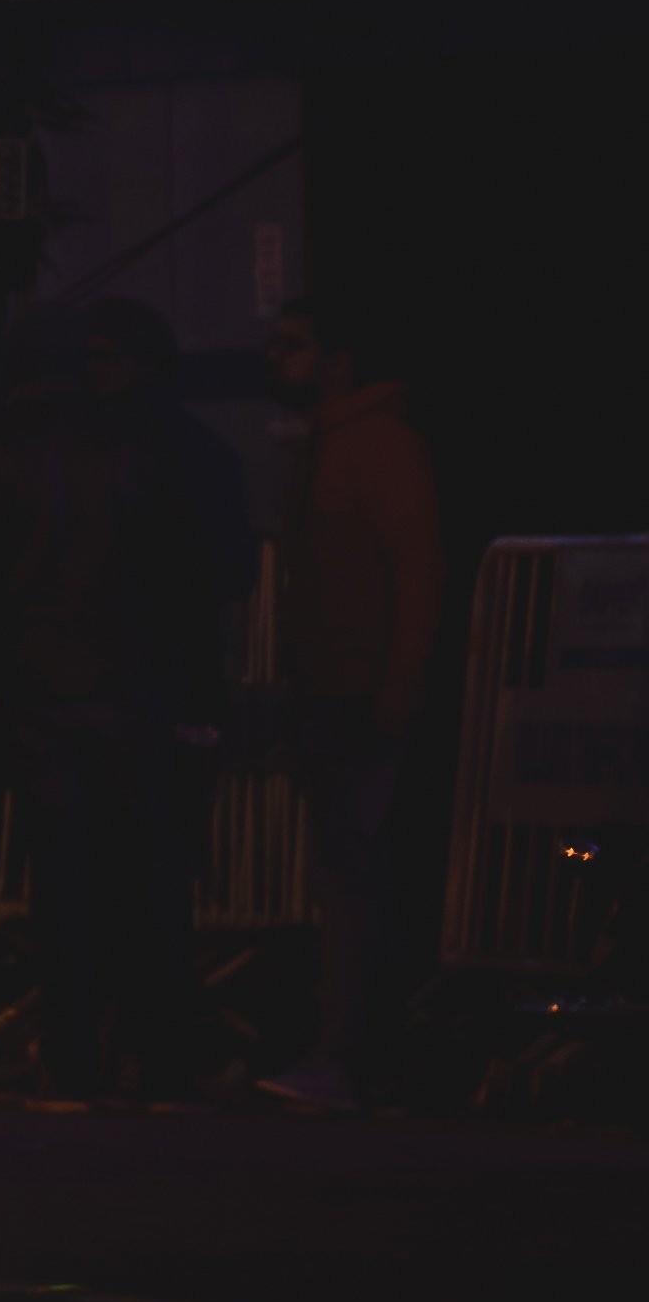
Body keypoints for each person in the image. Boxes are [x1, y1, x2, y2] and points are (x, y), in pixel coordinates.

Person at [0, 301, 246, 1105]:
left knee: (63, 881)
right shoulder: (141, 448)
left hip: (42, 690)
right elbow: (205, 573)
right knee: (149, 877)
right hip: (141, 689)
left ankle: (75, 1050)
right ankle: (155, 1052)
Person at [257, 297, 443, 1117]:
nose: (276, 361)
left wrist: (397, 687)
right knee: (348, 874)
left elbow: (418, 572)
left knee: (353, 875)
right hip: (336, 692)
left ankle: (352, 1054)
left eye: (294, 347)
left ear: (337, 360)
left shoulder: (374, 447)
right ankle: (356, 1051)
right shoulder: (340, 445)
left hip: (356, 693)